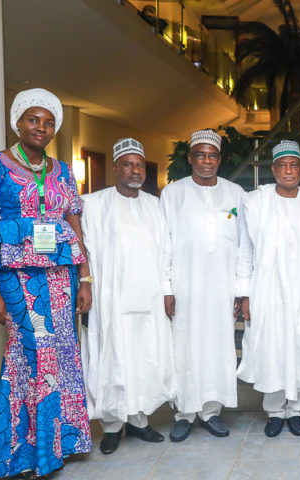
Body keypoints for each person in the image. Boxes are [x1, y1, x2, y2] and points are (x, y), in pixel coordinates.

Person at [0, 88, 92, 478]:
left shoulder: (62, 171)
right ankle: (23, 454)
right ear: (17, 121)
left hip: (60, 277)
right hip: (17, 278)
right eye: (33, 119)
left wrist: (85, 278)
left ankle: (64, 440)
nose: (41, 127)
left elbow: (75, 225)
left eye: (48, 122)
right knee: (29, 355)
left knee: (61, 354)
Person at [80, 138, 174, 454]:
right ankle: (111, 427)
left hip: (148, 298)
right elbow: (86, 251)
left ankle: (139, 422)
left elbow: (166, 253)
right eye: (127, 164)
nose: (134, 170)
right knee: (113, 359)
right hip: (111, 299)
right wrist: (87, 286)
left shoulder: (154, 204)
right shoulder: (93, 204)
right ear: (115, 167)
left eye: (138, 165)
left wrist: (166, 290)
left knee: (144, 357)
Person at [238, 140, 300, 438]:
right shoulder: (255, 202)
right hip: (268, 290)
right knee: (272, 348)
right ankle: (274, 411)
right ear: (273, 169)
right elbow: (245, 250)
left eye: (294, 165)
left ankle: (295, 411)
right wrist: (245, 294)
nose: (289, 171)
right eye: (283, 165)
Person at [160, 129, 245, 442]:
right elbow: (164, 243)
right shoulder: (173, 193)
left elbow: (244, 244)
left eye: (212, 155)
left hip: (223, 288)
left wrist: (241, 289)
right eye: (200, 155)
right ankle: (183, 413)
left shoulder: (236, 194)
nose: (206, 161)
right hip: (185, 287)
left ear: (219, 159)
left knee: (218, 348)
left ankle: (211, 411)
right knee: (183, 347)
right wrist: (167, 287)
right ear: (190, 158)